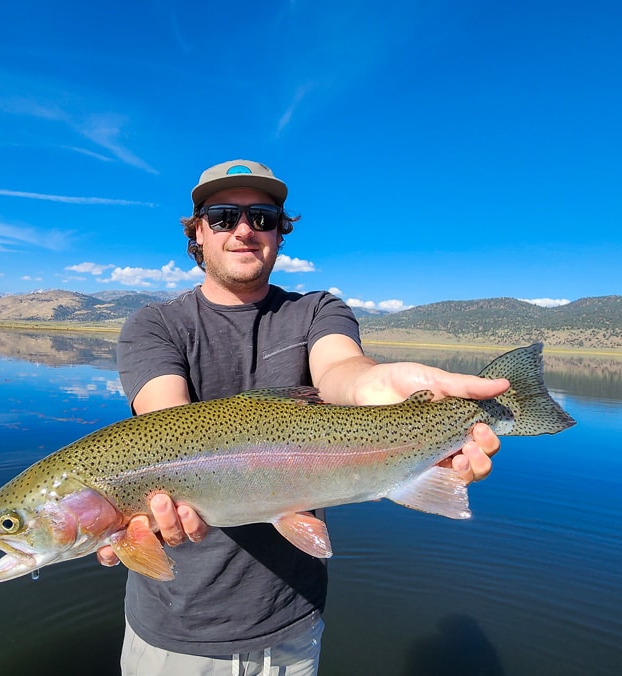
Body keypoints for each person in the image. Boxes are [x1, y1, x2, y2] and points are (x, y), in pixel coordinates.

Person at [101, 159, 508, 675]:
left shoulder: (318, 310)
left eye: (263, 217)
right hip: (177, 633)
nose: (244, 230)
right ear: (198, 232)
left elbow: (343, 370)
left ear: (280, 232)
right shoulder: (154, 325)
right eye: (224, 217)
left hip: (294, 620)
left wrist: (373, 386)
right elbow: (165, 424)